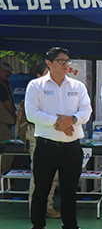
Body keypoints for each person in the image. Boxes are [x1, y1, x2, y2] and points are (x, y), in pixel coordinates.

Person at [26, 47, 93, 229]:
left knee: (70, 191)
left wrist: (71, 120)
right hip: (46, 147)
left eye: (67, 61)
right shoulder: (36, 86)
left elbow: (86, 111)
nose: (66, 65)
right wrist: (59, 122)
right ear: (49, 63)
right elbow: (31, 113)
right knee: (41, 191)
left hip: (72, 147)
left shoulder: (77, 86)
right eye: (61, 61)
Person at [25, 64, 60, 219]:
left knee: (52, 177)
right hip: (38, 137)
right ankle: (37, 210)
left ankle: (47, 207)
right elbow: (32, 115)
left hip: (55, 136)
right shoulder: (34, 89)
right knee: (39, 176)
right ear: (40, 76)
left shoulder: (57, 90)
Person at [0, 61, 16, 174]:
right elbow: (8, 105)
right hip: (3, 123)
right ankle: (3, 177)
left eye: (8, 71)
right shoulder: (1, 86)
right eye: (4, 71)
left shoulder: (5, 84)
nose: (7, 73)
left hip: (5, 122)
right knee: (7, 151)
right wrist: (15, 116)